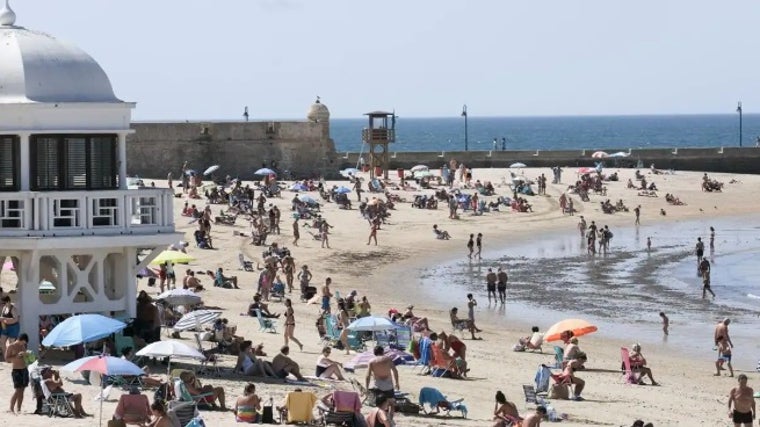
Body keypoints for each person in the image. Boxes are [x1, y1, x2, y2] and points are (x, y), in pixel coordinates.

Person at [366, 345, 399, 419]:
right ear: (382, 351)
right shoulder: (388, 359)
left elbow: (367, 375)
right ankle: (390, 419)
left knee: (379, 405)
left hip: (378, 385)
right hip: (388, 385)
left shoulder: (371, 361)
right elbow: (395, 371)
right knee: (391, 404)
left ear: (374, 353)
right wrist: (397, 382)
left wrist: (366, 387)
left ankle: (380, 420)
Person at [5, 332, 28, 414]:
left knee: (22, 390)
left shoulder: (23, 346)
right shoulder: (11, 346)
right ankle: (11, 408)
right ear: (20, 339)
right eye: (23, 342)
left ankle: (19, 409)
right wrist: (16, 357)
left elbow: (27, 358)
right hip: (16, 370)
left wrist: (26, 354)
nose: (24, 344)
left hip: (24, 369)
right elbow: (7, 359)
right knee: (18, 390)